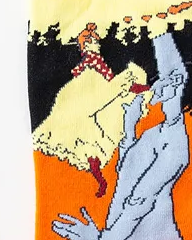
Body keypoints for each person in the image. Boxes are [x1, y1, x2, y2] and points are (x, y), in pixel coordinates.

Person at [51, 32, 190, 240]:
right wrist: (129, 129)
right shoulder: (154, 133)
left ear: (176, 84)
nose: (155, 87)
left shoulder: (176, 143)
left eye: (164, 80)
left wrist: (102, 239)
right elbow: (127, 173)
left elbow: (141, 199)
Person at [33, 23, 151, 196]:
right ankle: (101, 181)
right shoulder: (86, 44)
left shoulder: (94, 48)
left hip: (95, 78)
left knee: (93, 132)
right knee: (88, 131)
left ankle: (103, 181)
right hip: (89, 81)